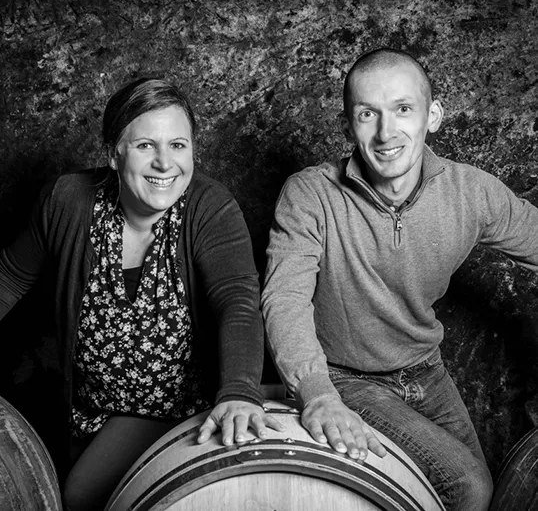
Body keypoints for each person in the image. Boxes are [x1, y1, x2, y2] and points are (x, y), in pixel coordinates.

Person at [261, 47, 538, 510]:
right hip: (344, 375)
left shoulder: (470, 191)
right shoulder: (311, 193)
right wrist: (317, 393)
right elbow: (284, 297)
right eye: (367, 113)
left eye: (403, 109)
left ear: (433, 116)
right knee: (468, 487)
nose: (386, 132)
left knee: (486, 494)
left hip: (426, 370)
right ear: (349, 124)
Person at [0, 77, 282, 511]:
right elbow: (11, 277)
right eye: (146, 146)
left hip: (184, 408)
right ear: (114, 152)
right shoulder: (68, 201)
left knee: (82, 498)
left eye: (179, 145)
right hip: (88, 411)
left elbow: (238, 302)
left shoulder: (209, 207)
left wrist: (240, 392)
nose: (165, 163)